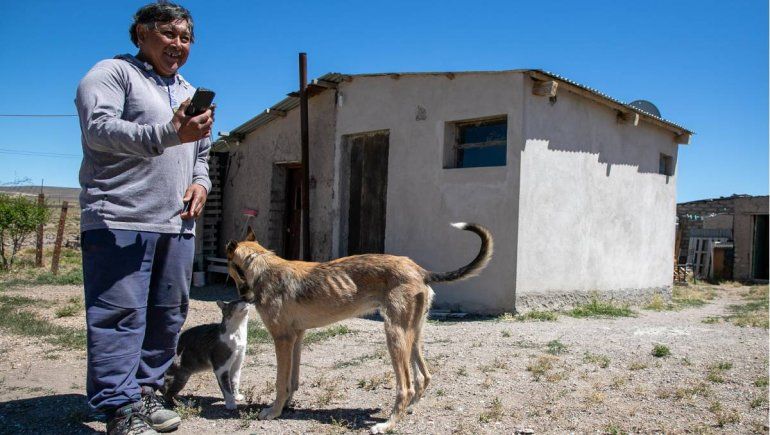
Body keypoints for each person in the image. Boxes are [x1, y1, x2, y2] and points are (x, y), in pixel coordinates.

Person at [75, 2, 213, 434]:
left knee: (168, 313)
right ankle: (118, 407)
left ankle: (147, 393)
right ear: (141, 34)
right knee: (120, 315)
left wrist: (200, 184)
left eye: (186, 37)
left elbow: (202, 155)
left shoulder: (188, 91)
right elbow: (98, 128)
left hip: (176, 223)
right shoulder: (112, 74)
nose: (178, 44)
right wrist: (169, 133)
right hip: (119, 217)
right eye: (169, 34)